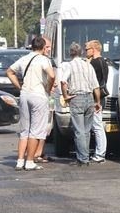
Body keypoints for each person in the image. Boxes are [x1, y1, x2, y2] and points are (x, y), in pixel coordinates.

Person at [6, 36, 55, 171]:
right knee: (36, 131)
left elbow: (9, 72)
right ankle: (30, 161)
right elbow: (51, 75)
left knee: (24, 130)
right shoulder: (44, 60)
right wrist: (48, 88)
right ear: (43, 47)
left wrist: (19, 86)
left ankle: (20, 161)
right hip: (38, 96)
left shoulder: (24, 58)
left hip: (24, 95)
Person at [59, 42, 101, 166]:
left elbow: (63, 81)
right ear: (81, 52)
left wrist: (66, 96)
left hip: (76, 98)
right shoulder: (88, 66)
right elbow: (96, 86)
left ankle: (82, 158)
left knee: (79, 130)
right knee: (87, 130)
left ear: (70, 53)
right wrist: (97, 102)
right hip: (89, 98)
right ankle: (85, 155)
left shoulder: (69, 65)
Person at [85, 39, 108, 163]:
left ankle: (100, 153)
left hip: (95, 98)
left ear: (93, 49)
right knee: (97, 125)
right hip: (101, 96)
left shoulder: (93, 63)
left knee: (97, 126)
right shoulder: (104, 62)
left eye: (87, 49)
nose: (85, 52)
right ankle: (99, 152)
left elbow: (92, 82)